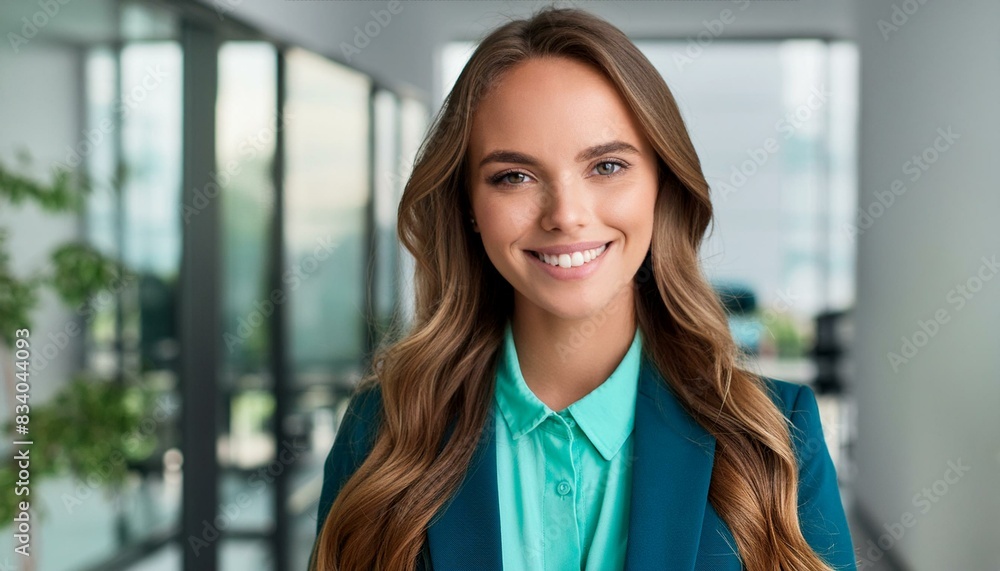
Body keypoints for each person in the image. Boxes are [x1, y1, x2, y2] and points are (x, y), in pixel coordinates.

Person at [310, 6, 856, 571]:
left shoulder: (776, 437)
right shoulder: (380, 433)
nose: (566, 216)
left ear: (660, 186)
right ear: (470, 207)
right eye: (514, 176)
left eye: (607, 166)